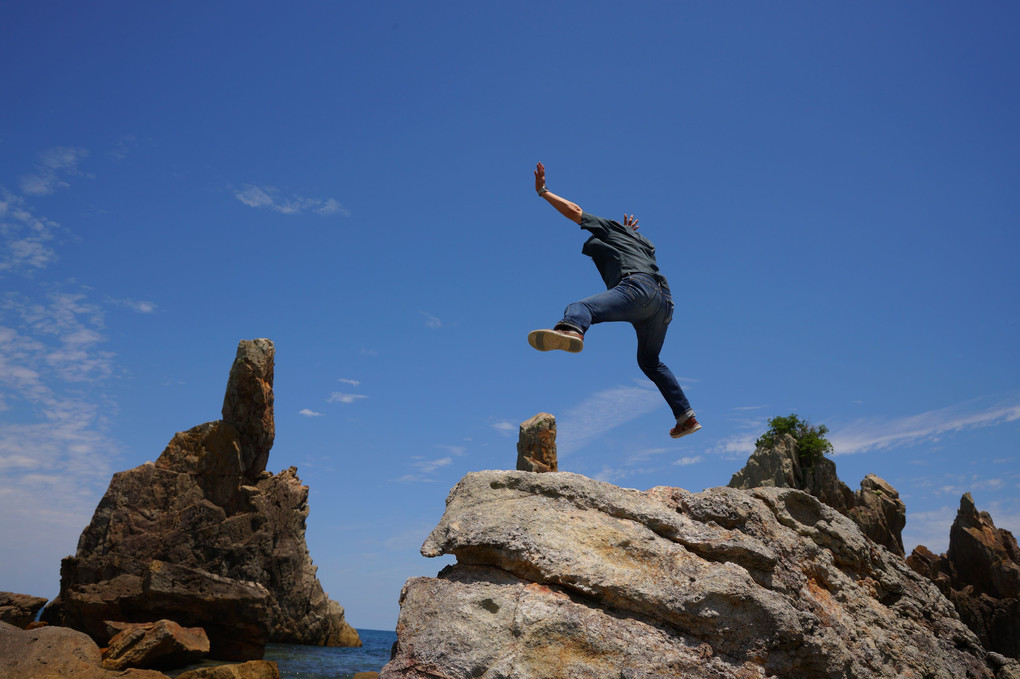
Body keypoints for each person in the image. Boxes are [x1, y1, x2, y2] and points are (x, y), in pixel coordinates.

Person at [528, 162, 700, 440]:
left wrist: (544, 192)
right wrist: (629, 231)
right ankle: (686, 417)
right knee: (650, 362)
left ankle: (572, 329)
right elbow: (638, 245)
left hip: (637, 289)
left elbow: (574, 211)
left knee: (580, 308)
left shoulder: (610, 229)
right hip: (663, 304)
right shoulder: (644, 244)